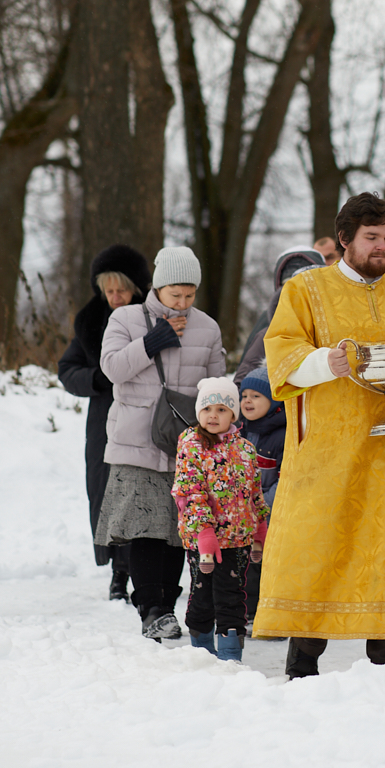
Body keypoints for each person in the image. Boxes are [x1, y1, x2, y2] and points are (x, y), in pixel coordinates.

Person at [253, 193, 385, 676]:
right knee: (321, 547)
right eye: (372, 238)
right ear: (344, 240)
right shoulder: (306, 289)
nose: (382, 248)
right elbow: (280, 351)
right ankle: (303, 662)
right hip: (330, 450)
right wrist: (325, 361)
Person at [97, 246, 227, 640]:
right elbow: (112, 368)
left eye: (190, 295)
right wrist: (153, 341)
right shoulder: (126, 318)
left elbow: (217, 385)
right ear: (157, 286)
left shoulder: (207, 327)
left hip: (184, 443)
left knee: (176, 529)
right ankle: (151, 607)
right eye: (175, 295)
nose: (183, 303)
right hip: (135, 439)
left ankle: (167, 606)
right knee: (144, 527)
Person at [58, 243, 148, 601]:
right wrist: (96, 379)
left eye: (121, 290)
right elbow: (67, 370)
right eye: (108, 290)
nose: (114, 297)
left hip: (144, 418)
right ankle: (117, 571)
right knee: (106, 492)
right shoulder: (91, 321)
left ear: (136, 288)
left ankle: (144, 571)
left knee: (142, 492)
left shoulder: (150, 319)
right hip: (104, 420)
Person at [173, 377, 269, 662]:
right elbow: (190, 493)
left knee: (232, 596)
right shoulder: (191, 445)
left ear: (233, 415)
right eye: (207, 409)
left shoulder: (245, 449)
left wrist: (259, 529)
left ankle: (230, 655)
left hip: (237, 539)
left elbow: (255, 492)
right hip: (204, 541)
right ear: (199, 412)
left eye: (221, 409)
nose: (213, 415)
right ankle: (202, 650)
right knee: (203, 596)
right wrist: (204, 532)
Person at [235, 365, 284, 632]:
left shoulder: (281, 434)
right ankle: (245, 610)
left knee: (262, 563)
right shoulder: (237, 431)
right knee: (242, 563)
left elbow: (284, 479)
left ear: (273, 399)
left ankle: (265, 613)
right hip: (240, 514)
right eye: (244, 396)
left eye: (256, 396)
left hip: (269, 513)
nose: (247, 401)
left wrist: (260, 506)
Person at [234, 246, 324, 387]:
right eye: (287, 287)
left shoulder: (334, 323)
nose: (294, 296)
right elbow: (244, 381)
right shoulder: (269, 329)